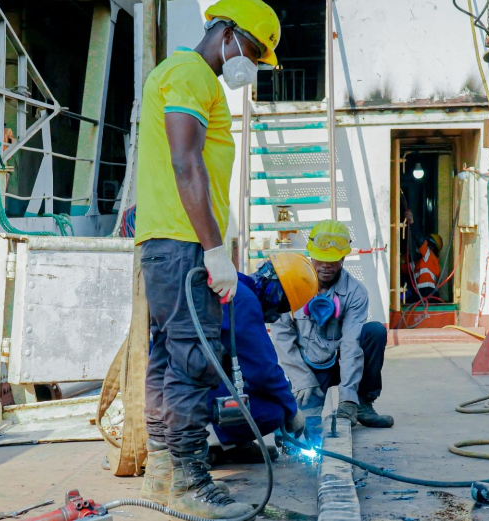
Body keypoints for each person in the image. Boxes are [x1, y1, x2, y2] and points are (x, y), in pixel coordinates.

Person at [134, 0, 280, 518]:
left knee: (169, 356)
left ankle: (162, 472)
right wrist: (215, 250)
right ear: (226, 33)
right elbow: (185, 160)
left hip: (170, 243)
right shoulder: (191, 74)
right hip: (184, 244)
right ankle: (191, 484)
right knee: (194, 360)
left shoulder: (185, 76)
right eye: (254, 51)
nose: (253, 64)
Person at [271, 220, 394, 447]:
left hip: (339, 360)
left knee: (374, 332)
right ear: (310, 255)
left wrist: (348, 398)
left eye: (332, 260)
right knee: (302, 429)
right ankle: (304, 400)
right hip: (307, 365)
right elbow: (281, 339)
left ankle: (362, 404)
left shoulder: (356, 292)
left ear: (343, 257)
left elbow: (351, 344)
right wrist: (302, 380)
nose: (326, 266)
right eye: (320, 259)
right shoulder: (290, 286)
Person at [207, 253, 318, 463]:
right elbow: (263, 370)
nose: (277, 315)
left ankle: (232, 446)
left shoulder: (237, 285)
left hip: (182, 378)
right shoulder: (244, 300)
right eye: (282, 305)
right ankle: (201, 444)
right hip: (189, 388)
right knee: (272, 412)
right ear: (276, 289)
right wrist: (291, 410)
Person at [402, 208, 442, 303]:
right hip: (419, 296)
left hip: (429, 295)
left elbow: (420, 240)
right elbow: (403, 269)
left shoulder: (430, 257)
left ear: (431, 247)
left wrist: (411, 223)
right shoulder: (419, 263)